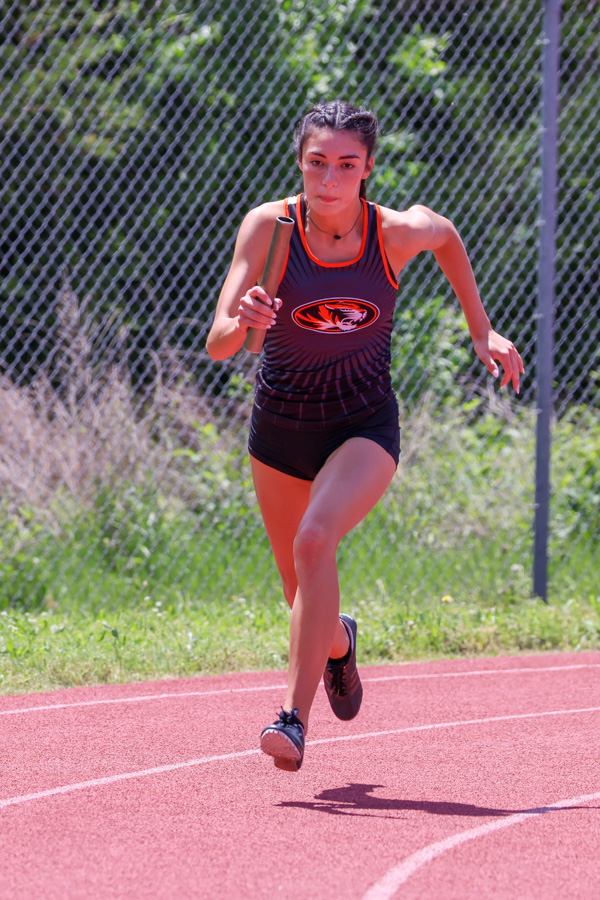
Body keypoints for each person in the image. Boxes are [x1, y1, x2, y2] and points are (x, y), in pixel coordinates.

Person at [206, 100, 524, 772]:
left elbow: (446, 236)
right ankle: (339, 646)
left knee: (315, 539)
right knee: (301, 594)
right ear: (300, 162)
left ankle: (291, 720)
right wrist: (245, 319)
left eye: (346, 165)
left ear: (368, 169)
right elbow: (219, 344)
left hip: (362, 424)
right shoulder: (268, 227)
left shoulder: (394, 233)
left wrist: (481, 329)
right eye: (317, 162)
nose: (330, 179)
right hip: (281, 429)